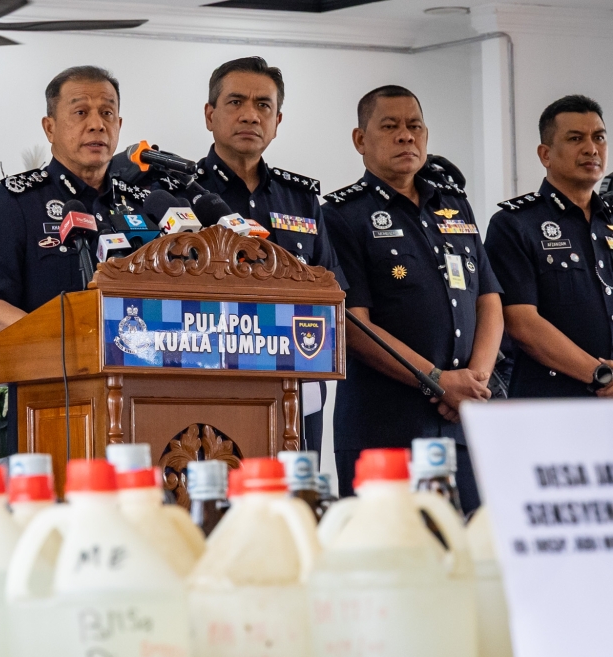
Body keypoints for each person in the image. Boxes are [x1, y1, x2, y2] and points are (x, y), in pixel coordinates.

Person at [323, 85, 503, 512]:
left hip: (463, 422)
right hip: (385, 428)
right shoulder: (340, 214)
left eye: (414, 126)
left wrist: (471, 385)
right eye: (390, 126)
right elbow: (355, 324)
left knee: (473, 556)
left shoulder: (454, 207)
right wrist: (438, 381)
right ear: (360, 140)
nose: (406, 136)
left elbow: (490, 299)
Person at [0, 65, 145, 455]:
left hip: (138, 398)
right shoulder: (15, 201)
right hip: (49, 397)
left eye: (107, 113)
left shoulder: (145, 206)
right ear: (49, 128)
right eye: (80, 112)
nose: (97, 125)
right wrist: (70, 348)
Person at [195, 56, 347, 454]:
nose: (250, 115)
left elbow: (332, 291)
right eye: (235, 103)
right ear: (210, 115)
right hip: (210, 384)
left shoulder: (300, 200)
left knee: (296, 505)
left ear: (278, 121)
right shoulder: (182, 194)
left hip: (296, 383)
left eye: (263, 105)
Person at [485, 95, 613, 398]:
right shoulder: (514, 224)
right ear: (546, 154)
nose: (591, 149)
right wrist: (602, 376)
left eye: (599, 137)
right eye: (575, 138)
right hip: (551, 401)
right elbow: (522, 323)